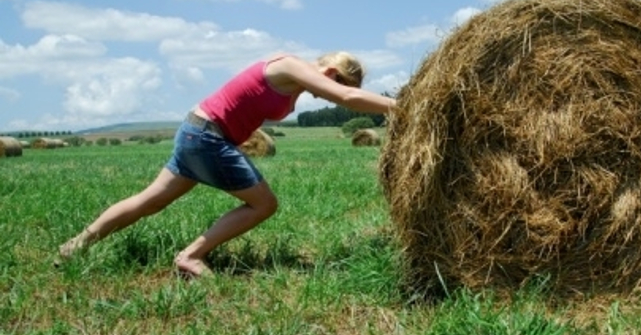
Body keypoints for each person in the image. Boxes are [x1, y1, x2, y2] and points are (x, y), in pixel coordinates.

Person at [58, 51, 396, 277]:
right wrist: (404, 105)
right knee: (264, 204)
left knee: (151, 200)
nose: (327, 95)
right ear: (332, 73)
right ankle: (191, 256)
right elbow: (349, 99)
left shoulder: (296, 84)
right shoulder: (290, 65)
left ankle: (75, 246)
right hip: (207, 136)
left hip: (198, 132)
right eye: (336, 86)